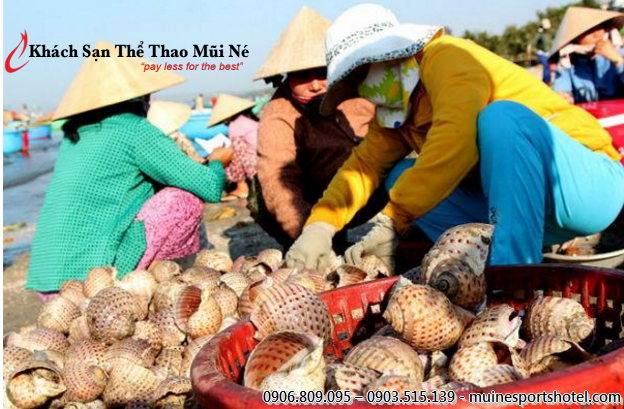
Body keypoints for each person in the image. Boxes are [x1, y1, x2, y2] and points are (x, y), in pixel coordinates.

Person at [285, 4, 624, 272]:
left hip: (588, 187)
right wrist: (321, 225)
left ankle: (513, 275)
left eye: (363, 70)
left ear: (392, 54)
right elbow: (362, 168)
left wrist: (394, 218)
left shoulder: (448, 58)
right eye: (354, 77)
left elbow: (456, 134)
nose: (361, 85)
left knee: (500, 118)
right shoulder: (395, 110)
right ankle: (487, 263)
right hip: (530, 214)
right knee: (397, 176)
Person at [27, 42, 233, 297]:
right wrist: (217, 161)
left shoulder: (74, 136)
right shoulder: (132, 128)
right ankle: (161, 287)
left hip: (49, 280)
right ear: (139, 98)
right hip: (95, 281)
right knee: (183, 200)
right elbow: (209, 187)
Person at [249, 6, 383, 251]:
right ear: (286, 78)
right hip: (312, 200)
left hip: (368, 186)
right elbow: (280, 183)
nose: (315, 85)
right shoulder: (278, 115)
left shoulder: (359, 90)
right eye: (302, 76)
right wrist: (310, 235)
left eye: (322, 72)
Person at [551, 7, 624, 103]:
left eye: (599, 27)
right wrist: (564, 97)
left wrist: (618, 60)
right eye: (589, 31)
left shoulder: (619, 53)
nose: (596, 34)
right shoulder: (566, 64)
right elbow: (561, 91)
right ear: (574, 38)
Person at [208, 94, 258, 201]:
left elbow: (234, 149)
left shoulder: (235, 125)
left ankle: (242, 187)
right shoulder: (249, 121)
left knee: (231, 153)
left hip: (256, 163)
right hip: (261, 158)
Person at [528, 19, 554, 84]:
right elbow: (533, 44)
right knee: (546, 66)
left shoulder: (548, 34)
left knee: (548, 67)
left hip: (548, 53)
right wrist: (537, 51)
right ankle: (547, 82)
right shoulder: (540, 34)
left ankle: (546, 81)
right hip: (542, 54)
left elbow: (550, 44)